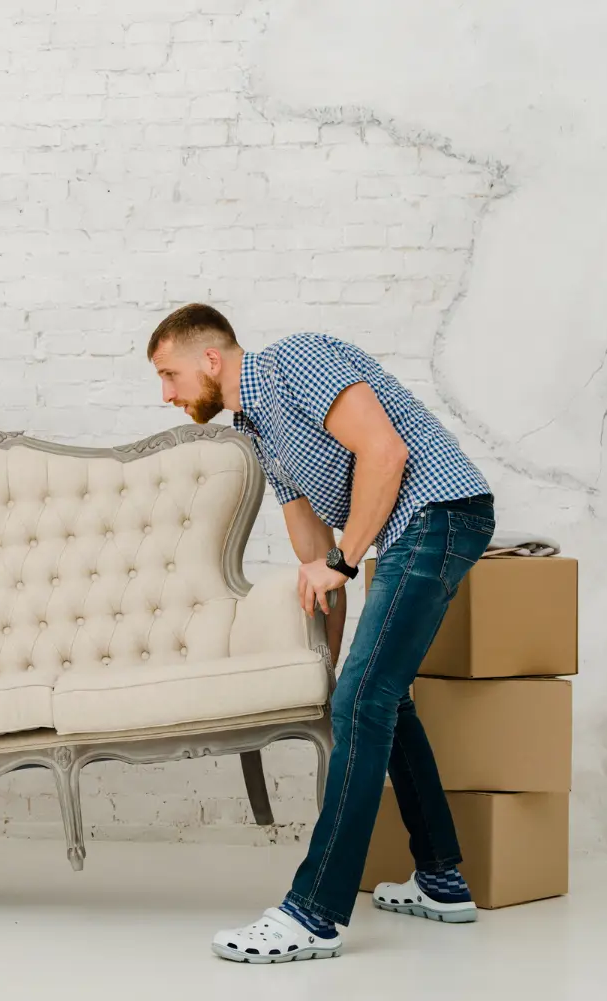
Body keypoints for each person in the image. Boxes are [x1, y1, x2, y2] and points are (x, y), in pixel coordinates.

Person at [147, 304, 494, 962]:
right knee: (373, 694)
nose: (166, 394)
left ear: (211, 360)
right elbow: (316, 562)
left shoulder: (293, 361)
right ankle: (443, 878)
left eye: (170, 374)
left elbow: (385, 453)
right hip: (407, 528)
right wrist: (323, 667)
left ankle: (315, 914)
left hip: (438, 512)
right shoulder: (259, 432)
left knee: (366, 699)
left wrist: (342, 562)